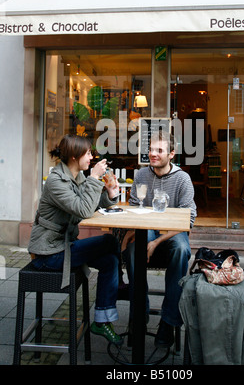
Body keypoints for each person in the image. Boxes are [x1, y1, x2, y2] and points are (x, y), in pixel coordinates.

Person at [28, 134, 123, 345]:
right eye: (88, 153)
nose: (91, 157)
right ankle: (122, 284)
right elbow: (83, 209)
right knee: (109, 242)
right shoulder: (55, 181)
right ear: (74, 156)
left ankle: (102, 319)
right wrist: (94, 178)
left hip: (64, 246)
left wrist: (110, 193)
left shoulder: (77, 177)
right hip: (49, 254)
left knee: (111, 261)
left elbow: (92, 204)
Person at [122, 131, 197, 348]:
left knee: (182, 250)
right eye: (151, 149)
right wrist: (129, 234)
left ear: (171, 154)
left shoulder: (182, 179)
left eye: (159, 150)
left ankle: (168, 321)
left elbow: (187, 220)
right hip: (147, 229)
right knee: (133, 250)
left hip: (173, 232)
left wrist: (155, 243)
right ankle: (139, 315)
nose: (152, 154)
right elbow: (135, 208)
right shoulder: (141, 175)